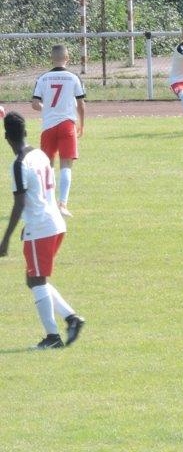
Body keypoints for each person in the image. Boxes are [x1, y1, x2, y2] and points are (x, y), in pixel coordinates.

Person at [0, 112, 85, 348]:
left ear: (6, 137)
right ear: (26, 132)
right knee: (33, 279)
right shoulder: (39, 154)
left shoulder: (18, 165)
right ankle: (71, 318)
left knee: (37, 280)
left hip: (41, 228)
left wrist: (5, 239)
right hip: (54, 223)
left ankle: (53, 337)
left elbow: (19, 203)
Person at [31, 44, 85, 217]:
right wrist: (82, 124)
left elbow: (35, 104)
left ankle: (49, 203)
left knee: (48, 166)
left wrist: (46, 108)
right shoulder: (73, 77)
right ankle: (62, 204)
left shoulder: (43, 78)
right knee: (66, 164)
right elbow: (81, 103)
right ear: (67, 58)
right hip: (67, 125)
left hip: (48, 126)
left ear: (51, 58)